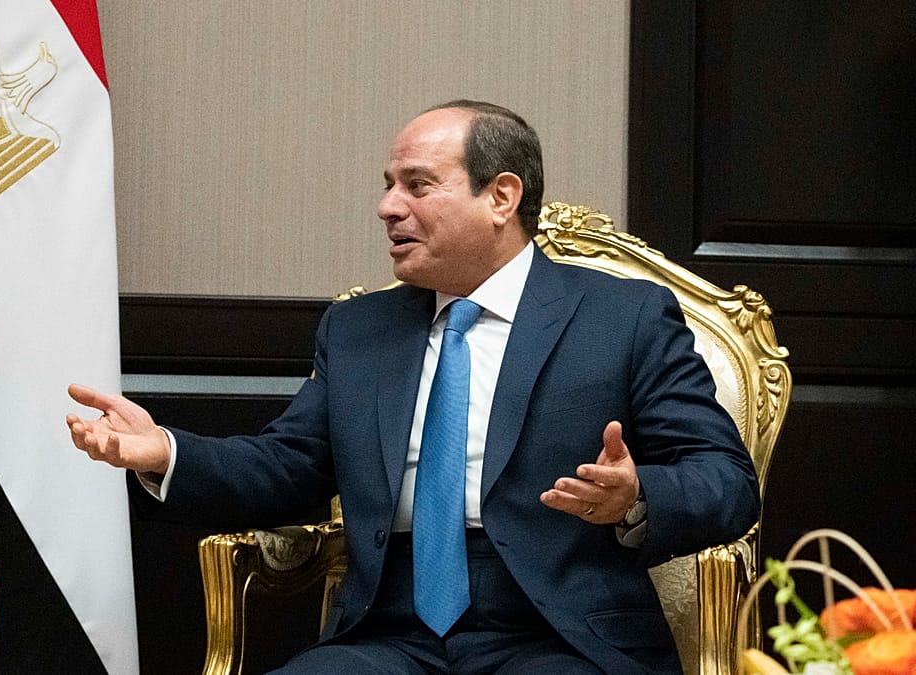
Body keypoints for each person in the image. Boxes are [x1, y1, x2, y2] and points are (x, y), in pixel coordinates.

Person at [66, 100, 759, 674]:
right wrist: (166, 453)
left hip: (559, 634)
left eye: (417, 185)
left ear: (501, 196)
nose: (387, 207)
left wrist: (637, 497)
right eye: (388, 184)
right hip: (388, 631)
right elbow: (290, 466)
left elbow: (726, 480)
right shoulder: (357, 329)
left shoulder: (622, 318)